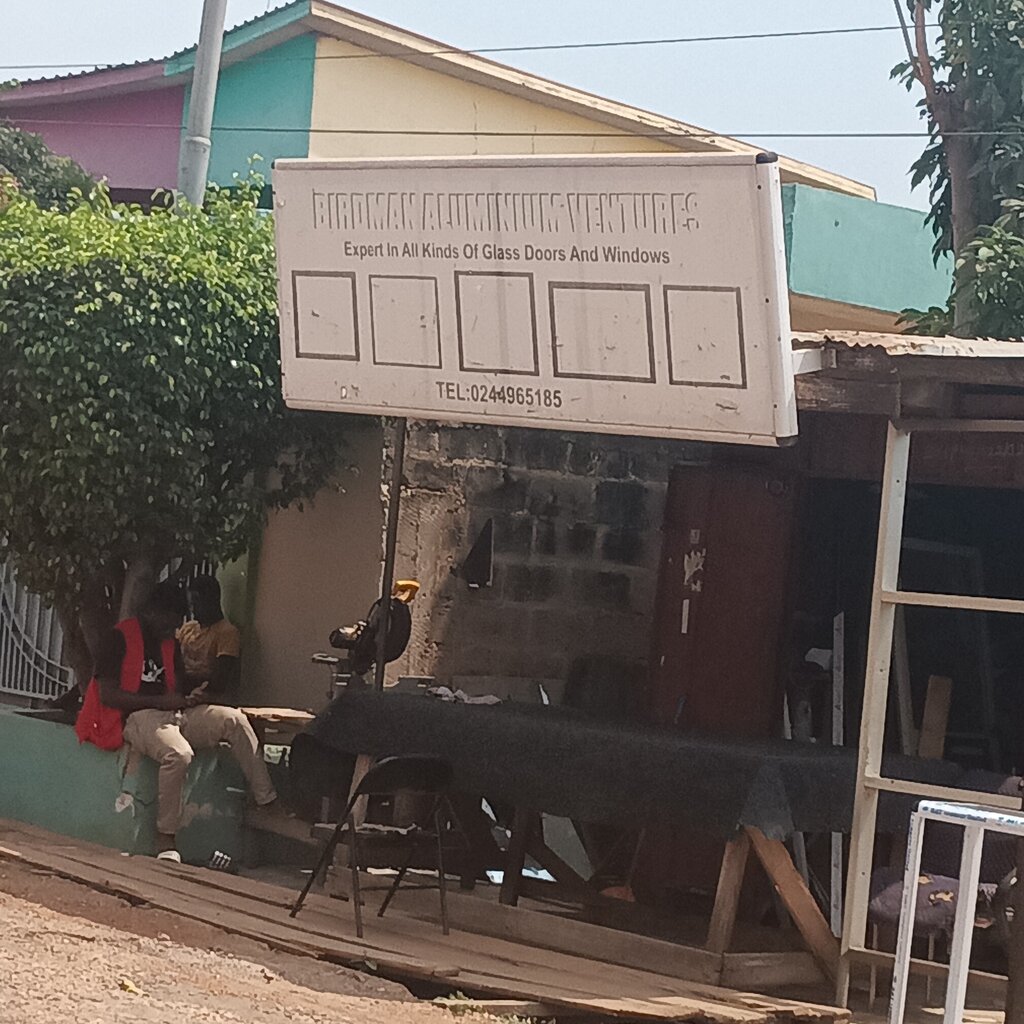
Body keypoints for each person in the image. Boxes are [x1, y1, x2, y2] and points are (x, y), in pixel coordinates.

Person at [74, 580, 279, 862]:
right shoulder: (119, 638)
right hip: (136, 716)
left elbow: (177, 684)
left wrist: (193, 695)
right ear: (151, 612)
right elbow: (108, 695)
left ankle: (267, 800)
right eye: (168, 622)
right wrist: (160, 701)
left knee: (235, 720)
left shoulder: (169, 642)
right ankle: (165, 838)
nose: (172, 629)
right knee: (178, 754)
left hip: (175, 713)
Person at [177, 575, 241, 702]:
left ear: (212, 600)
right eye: (191, 603)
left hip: (206, 697)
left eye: (197, 601)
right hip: (180, 693)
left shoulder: (227, 632)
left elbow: (220, 679)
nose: (192, 608)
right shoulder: (188, 628)